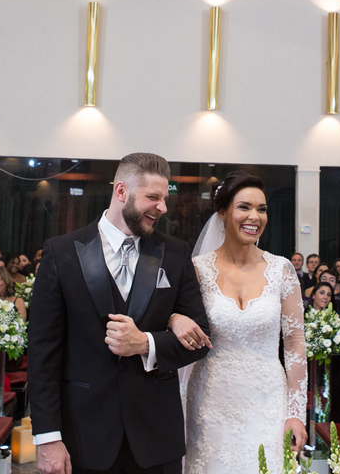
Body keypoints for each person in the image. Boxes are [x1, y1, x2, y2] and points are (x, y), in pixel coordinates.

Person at [28, 152, 210, 474]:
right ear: (121, 191)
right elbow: (43, 353)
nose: (163, 208)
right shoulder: (62, 252)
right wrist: (47, 438)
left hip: (156, 439)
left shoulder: (176, 253)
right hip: (83, 436)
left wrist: (147, 344)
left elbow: (200, 338)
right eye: (153, 197)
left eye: (164, 198)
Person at [171, 169, 306, 474]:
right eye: (244, 207)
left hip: (268, 399)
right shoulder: (196, 270)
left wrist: (296, 412)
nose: (254, 216)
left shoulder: (282, 270)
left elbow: (296, 344)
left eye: (261, 209)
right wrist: (173, 317)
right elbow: (167, 316)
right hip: (210, 401)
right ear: (222, 213)